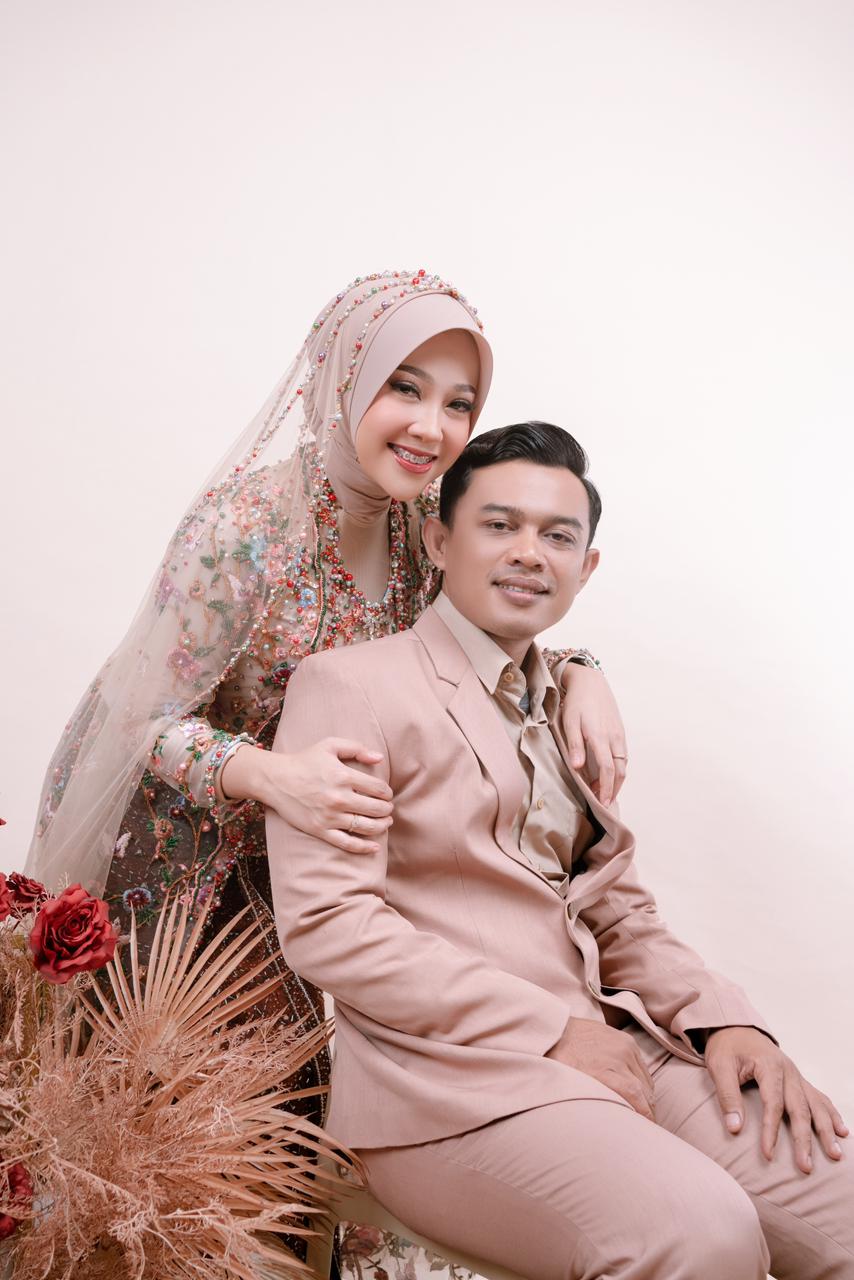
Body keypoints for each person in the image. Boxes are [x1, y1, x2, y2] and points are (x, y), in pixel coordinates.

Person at [25, 271, 624, 1116]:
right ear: (341, 377)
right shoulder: (246, 528)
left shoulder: (423, 524)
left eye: (458, 404)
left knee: (292, 1130)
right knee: (156, 1126)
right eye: (404, 388)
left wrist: (580, 670)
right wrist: (272, 776)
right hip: (181, 862)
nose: (432, 427)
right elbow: (137, 721)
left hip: (314, 866)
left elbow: (483, 630)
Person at [267, 421, 853, 1280]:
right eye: (499, 525)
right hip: (449, 1085)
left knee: (842, 1201)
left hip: (623, 1046)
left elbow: (615, 908)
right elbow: (331, 927)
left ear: (587, 566)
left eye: (557, 535)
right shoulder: (350, 685)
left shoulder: (566, 699)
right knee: (700, 1234)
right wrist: (547, 1030)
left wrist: (725, 1019)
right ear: (439, 542)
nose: (528, 553)